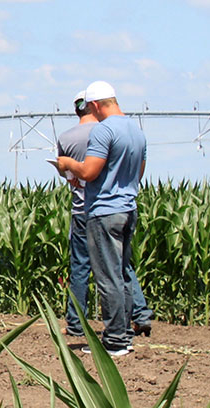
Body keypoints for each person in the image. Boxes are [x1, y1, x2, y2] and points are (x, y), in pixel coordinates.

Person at [56, 81, 153, 356]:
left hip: (103, 210)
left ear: (96, 105)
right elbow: (139, 172)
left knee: (107, 277)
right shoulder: (136, 131)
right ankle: (123, 336)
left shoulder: (103, 130)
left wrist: (67, 164)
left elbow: (88, 172)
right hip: (128, 208)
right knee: (121, 274)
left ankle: (114, 340)